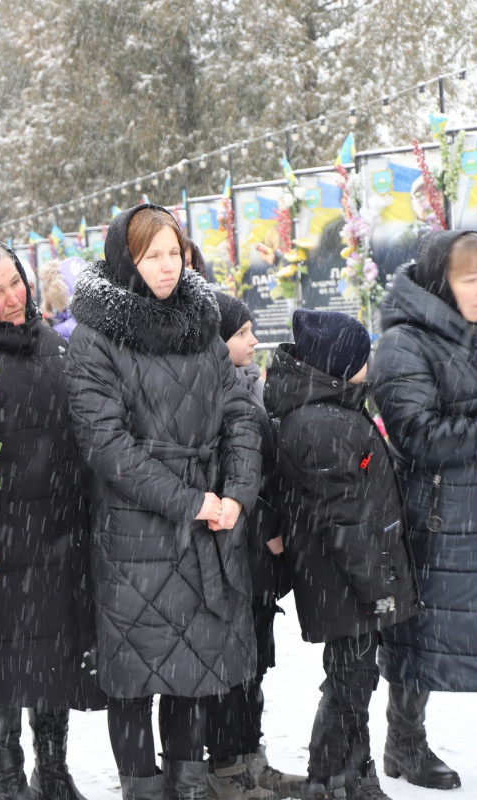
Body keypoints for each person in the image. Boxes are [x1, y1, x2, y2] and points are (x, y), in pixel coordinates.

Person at [65, 204, 261, 800]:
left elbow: (240, 415)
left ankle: (190, 783)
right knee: (134, 676)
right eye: (152, 256)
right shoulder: (95, 338)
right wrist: (189, 500)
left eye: (173, 253)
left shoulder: (202, 324)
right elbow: (107, 446)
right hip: (135, 536)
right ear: (128, 259)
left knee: (194, 672)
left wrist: (237, 493)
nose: (167, 266)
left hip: (206, 521)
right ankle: (143, 789)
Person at [0, 240, 104, 800]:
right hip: (0, 542)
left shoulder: (54, 347)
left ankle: (54, 771)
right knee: (1, 666)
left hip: (60, 534)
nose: (13, 297)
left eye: (15, 281)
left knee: (55, 656)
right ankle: (8, 781)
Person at [264, 309, 420, 800]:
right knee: (348, 684)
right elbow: (345, 523)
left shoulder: (333, 410)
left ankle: (353, 771)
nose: (369, 363)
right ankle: (327, 778)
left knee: (355, 679)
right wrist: (379, 590)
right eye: (362, 355)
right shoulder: (322, 425)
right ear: (339, 363)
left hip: (347, 578)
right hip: (344, 582)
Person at [372, 231, 477, 792]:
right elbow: (418, 433)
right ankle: (404, 741)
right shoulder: (404, 343)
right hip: (437, 517)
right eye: (471, 277)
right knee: (423, 637)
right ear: (443, 281)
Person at [206, 293, 304, 800]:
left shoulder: (251, 387)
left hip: (260, 560)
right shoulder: (217, 395)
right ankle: (226, 765)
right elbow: (237, 478)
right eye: (241, 334)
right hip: (237, 552)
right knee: (233, 667)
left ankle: (249, 755)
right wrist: (267, 520)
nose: (253, 340)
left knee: (256, 663)